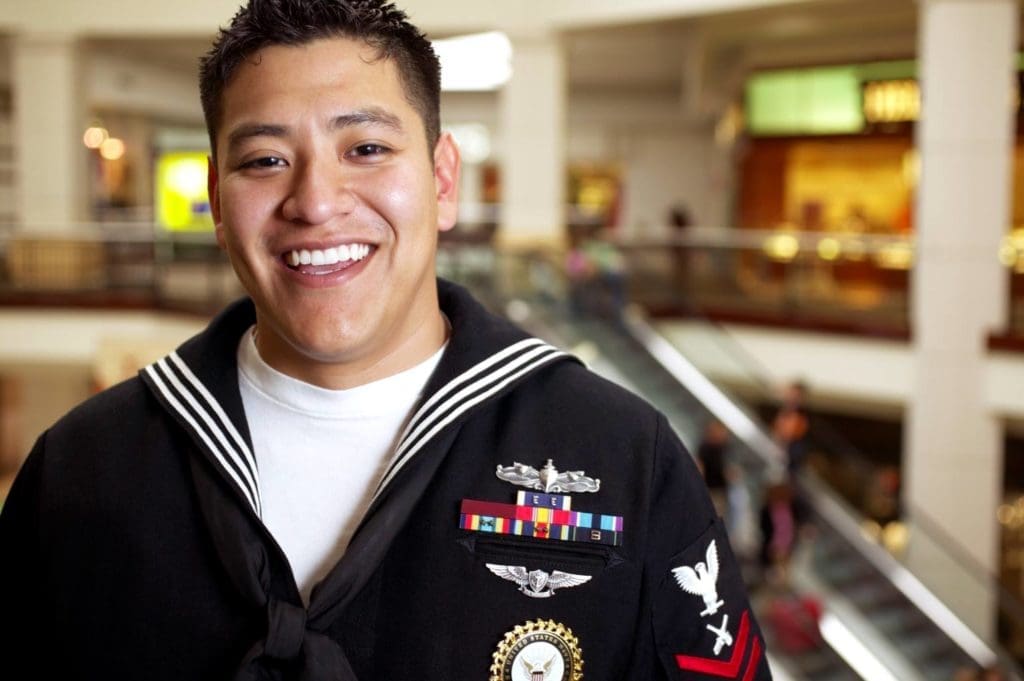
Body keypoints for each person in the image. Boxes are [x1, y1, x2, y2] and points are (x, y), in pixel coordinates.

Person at [0, 2, 771, 679]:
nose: (315, 201)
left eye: (365, 148)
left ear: (441, 182)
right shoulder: (83, 473)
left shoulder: (620, 456)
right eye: (265, 160)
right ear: (215, 198)